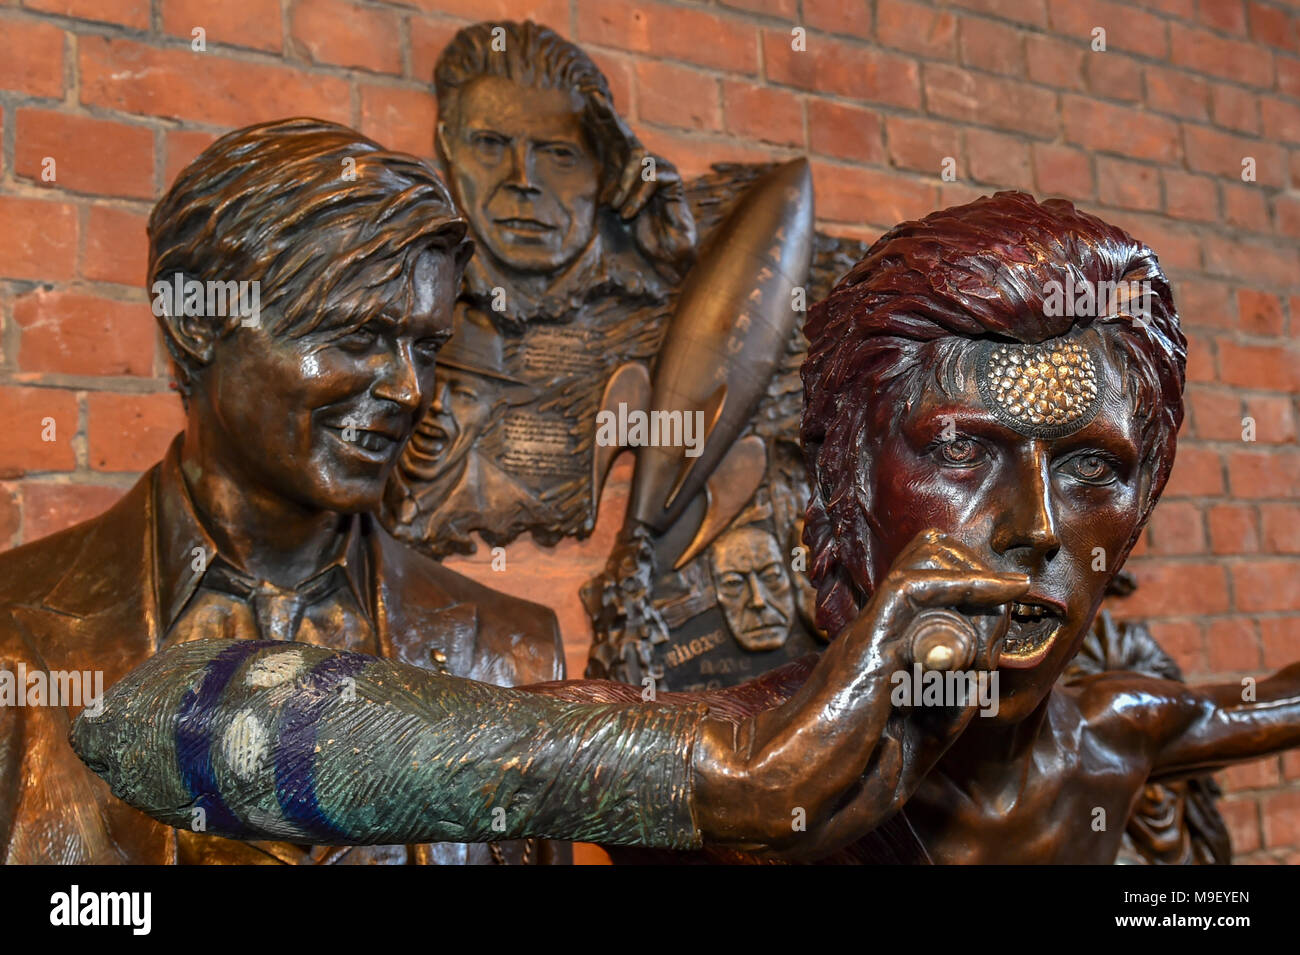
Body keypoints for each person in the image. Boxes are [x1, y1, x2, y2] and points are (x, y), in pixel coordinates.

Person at [73, 191, 1300, 864]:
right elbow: (156, 722)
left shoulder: (1115, 731)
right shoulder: (727, 741)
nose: (1033, 526)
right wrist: (731, 783)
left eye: (1091, 467)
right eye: (961, 450)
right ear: (843, 498)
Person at [0, 118, 570, 865]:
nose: (408, 388)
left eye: (424, 348)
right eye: (356, 335)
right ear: (200, 322)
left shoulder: (512, 652)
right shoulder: (16, 634)